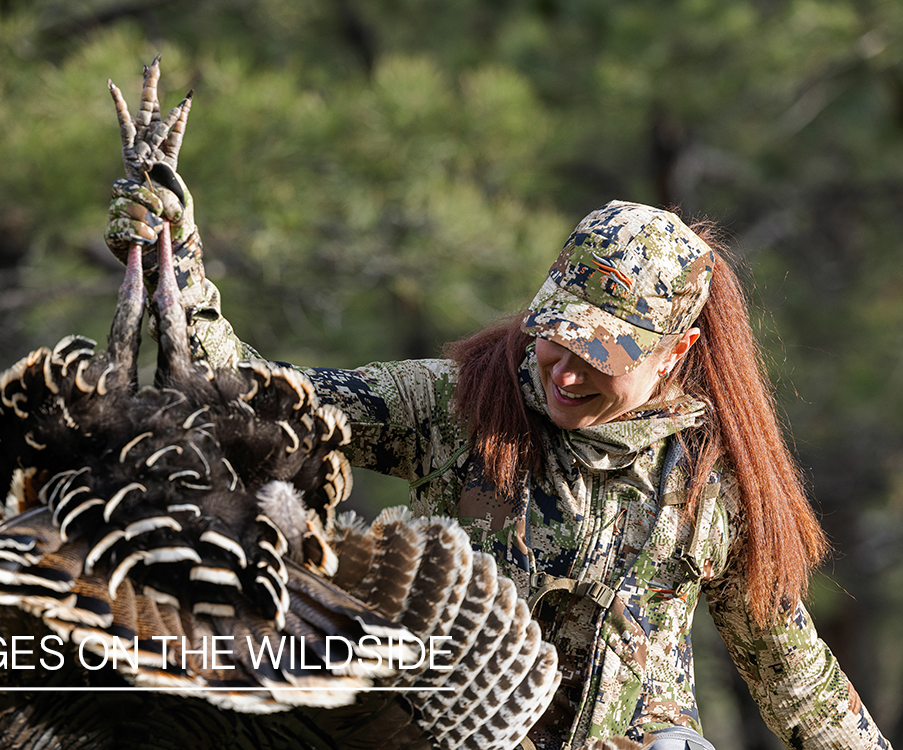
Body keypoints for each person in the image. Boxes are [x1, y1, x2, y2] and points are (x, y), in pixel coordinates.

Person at [105, 170, 893, 749]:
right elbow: (252, 403)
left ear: (674, 354)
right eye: (558, 333)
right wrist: (179, 271)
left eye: (602, 352)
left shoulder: (712, 485)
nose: (566, 369)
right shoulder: (454, 408)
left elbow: (792, 676)